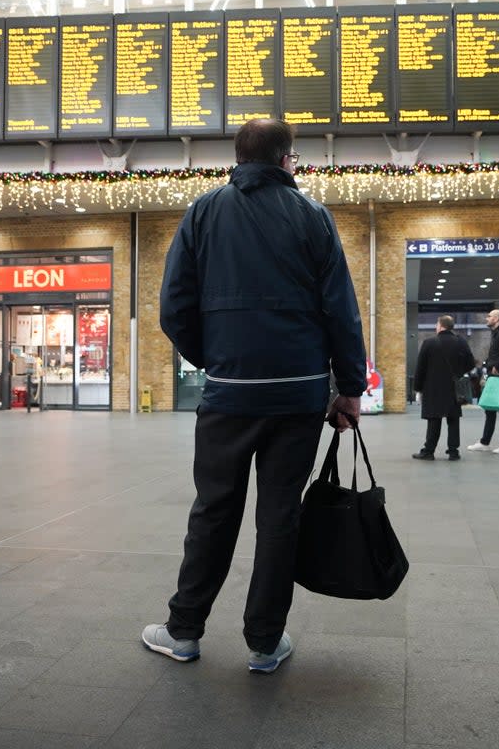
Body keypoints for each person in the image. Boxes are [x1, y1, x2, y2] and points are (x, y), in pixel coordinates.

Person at [145, 118, 367, 674]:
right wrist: (349, 389)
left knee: (213, 512)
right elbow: (340, 310)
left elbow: (174, 307)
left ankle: (184, 632)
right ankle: (265, 642)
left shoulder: (203, 212)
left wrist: (216, 360)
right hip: (298, 399)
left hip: (229, 398)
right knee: (279, 519)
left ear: (239, 158)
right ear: (288, 158)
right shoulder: (314, 217)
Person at [411, 315, 475, 461]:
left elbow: (420, 368)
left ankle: (429, 451)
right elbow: (471, 363)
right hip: (453, 387)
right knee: (453, 419)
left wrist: (418, 387)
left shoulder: (429, 343)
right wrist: (458, 373)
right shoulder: (461, 342)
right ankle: (453, 452)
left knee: (434, 419)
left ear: (440, 325)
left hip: (432, 387)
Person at [467, 309, 499, 454]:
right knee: (490, 409)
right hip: (497, 376)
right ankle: (485, 442)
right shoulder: (497, 333)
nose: (486, 318)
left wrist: (498, 366)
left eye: (489, 316)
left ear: (496, 319)